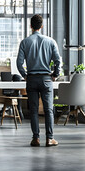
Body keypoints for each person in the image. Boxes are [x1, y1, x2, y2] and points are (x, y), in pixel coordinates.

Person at [16, 14, 61, 147]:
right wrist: (55, 75)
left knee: (34, 110)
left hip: (31, 79)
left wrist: (25, 75)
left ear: (31, 26)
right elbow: (58, 60)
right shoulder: (50, 41)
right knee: (48, 110)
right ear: (42, 26)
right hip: (46, 79)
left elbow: (19, 63)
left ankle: (36, 138)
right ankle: (49, 138)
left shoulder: (25, 42)